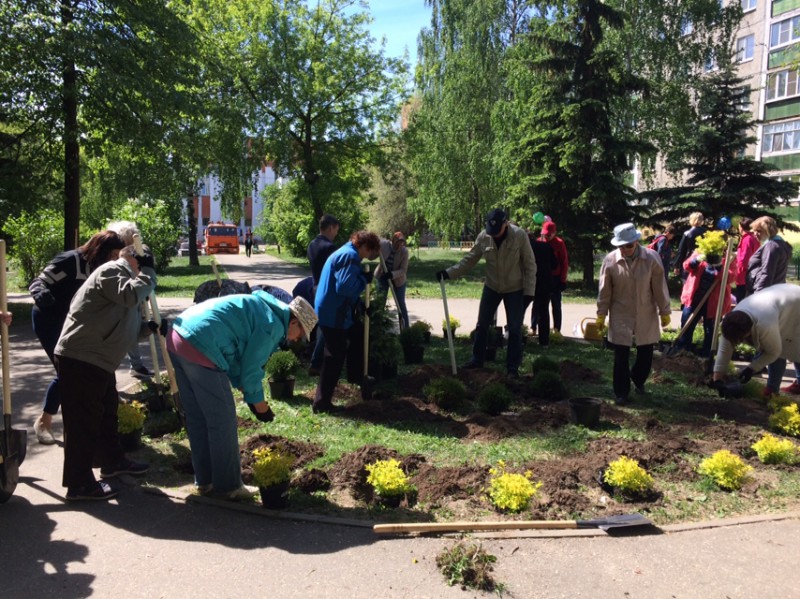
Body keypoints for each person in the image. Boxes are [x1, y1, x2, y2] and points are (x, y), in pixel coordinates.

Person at [167, 293, 317, 500]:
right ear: (293, 322)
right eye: (300, 334)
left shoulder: (262, 309)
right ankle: (229, 487)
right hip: (202, 346)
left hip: (178, 336)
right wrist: (260, 406)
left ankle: (205, 481)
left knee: (198, 418)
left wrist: (247, 391)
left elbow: (239, 359)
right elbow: (252, 369)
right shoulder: (273, 325)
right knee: (223, 421)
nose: (296, 340)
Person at [54, 245, 157, 501]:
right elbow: (130, 297)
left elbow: (123, 324)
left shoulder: (124, 279)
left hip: (98, 360)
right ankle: (79, 486)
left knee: (105, 415)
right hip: (82, 357)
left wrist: (147, 328)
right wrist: (148, 273)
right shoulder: (112, 270)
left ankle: (112, 461)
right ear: (133, 259)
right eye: (141, 261)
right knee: (83, 423)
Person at [28, 231, 126, 444]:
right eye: (113, 255)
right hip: (49, 318)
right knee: (67, 371)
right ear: (100, 250)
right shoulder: (70, 261)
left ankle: (90, 425)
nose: (115, 260)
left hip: (73, 322)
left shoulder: (102, 268)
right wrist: (41, 294)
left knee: (78, 371)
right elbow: (39, 281)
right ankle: (44, 423)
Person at [436, 209, 536, 378]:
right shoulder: (484, 237)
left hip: (515, 289)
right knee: (482, 324)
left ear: (505, 224)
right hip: (492, 287)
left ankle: (512, 368)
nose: (495, 235)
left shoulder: (519, 236)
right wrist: (448, 273)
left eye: (498, 231)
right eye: (492, 232)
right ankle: (477, 360)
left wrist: (529, 292)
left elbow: (530, 264)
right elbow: (469, 260)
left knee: (514, 328)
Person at [596, 223, 671, 405]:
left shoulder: (651, 259)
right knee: (621, 355)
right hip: (621, 312)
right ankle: (621, 392)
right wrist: (601, 314)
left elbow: (659, 287)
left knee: (645, 353)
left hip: (645, 310)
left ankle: (637, 379)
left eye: (628, 245)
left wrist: (665, 311)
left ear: (636, 242)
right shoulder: (610, 261)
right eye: (621, 246)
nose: (625, 249)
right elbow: (604, 290)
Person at [313, 230, 380, 413]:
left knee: (357, 335)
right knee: (334, 356)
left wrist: (359, 305)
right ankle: (322, 403)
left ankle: (358, 379)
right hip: (333, 313)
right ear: (365, 247)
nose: (371, 256)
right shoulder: (349, 256)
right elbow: (344, 287)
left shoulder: (347, 252)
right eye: (371, 251)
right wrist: (362, 281)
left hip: (334, 310)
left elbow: (343, 286)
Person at [711, 284, 800, 398]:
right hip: (780, 300)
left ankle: (772, 391)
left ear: (749, 331)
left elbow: (774, 352)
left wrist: (751, 369)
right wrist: (717, 378)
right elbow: (724, 349)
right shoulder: (730, 323)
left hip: (796, 304)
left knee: (793, 345)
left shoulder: (765, 325)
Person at [743, 216, 794, 397]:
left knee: (773, 345)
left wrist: (758, 298)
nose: (755, 234)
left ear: (768, 230)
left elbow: (766, 273)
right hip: (778, 295)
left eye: (758, 230)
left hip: (768, 298)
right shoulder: (781, 245)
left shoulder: (771, 246)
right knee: (791, 342)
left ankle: (771, 388)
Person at [107, 220, 153, 378]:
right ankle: (110, 373)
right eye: (125, 242)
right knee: (119, 333)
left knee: (133, 328)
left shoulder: (133, 253)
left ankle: (136, 365)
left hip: (132, 297)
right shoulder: (111, 258)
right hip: (117, 301)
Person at [672, 247, 735, 358]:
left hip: (714, 303)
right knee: (687, 326)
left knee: (710, 331)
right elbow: (686, 266)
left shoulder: (729, 259)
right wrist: (696, 260)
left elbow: (731, 278)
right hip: (694, 299)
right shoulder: (700, 252)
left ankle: (706, 357)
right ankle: (682, 354)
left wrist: (720, 267)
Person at [306, 214, 340, 375]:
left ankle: (317, 359)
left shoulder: (312, 244)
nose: (336, 234)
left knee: (321, 326)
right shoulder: (330, 248)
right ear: (331, 227)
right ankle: (316, 362)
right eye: (336, 230)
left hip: (315, 287)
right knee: (326, 327)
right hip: (327, 290)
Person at [533, 220, 568, 334]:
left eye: (549, 235)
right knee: (538, 304)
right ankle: (534, 327)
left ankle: (557, 330)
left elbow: (564, 262)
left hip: (555, 278)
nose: (546, 237)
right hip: (541, 278)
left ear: (554, 233)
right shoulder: (538, 242)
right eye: (544, 234)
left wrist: (562, 280)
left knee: (556, 304)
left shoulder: (559, 243)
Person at [523, 227, 556, 347]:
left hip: (528, 282)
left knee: (519, 310)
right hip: (545, 283)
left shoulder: (524, 248)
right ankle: (544, 342)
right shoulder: (545, 246)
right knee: (543, 311)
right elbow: (554, 264)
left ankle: (518, 338)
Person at [374, 232, 410, 329]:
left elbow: (403, 270)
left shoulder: (404, 252)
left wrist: (392, 274)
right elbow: (374, 241)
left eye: (402, 242)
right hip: (383, 276)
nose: (400, 245)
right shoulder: (384, 245)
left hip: (398, 280)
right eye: (398, 242)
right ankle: (377, 328)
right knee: (380, 301)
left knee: (400, 304)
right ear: (393, 240)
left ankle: (405, 329)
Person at [673, 212, 706, 279]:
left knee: (687, 283)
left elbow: (681, 251)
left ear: (691, 220)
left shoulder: (687, 233)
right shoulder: (706, 233)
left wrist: (677, 265)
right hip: (703, 261)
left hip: (689, 261)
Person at [733, 217, 758, 303]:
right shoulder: (754, 237)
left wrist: (737, 271)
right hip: (752, 272)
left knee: (741, 299)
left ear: (741, 226)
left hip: (744, 274)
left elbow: (744, 259)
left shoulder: (746, 239)